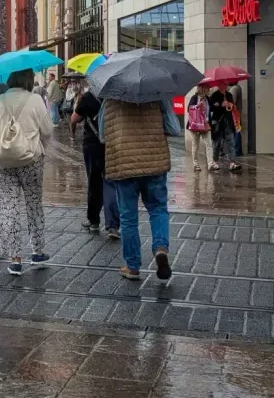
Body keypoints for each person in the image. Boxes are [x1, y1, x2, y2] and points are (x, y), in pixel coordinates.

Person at [102, 93, 181, 281]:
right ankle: (160, 249)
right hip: (154, 163)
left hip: (124, 163)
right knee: (158, 209)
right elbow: (174, 128)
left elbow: (103, 135)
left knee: (128, 218)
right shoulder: (158, 94)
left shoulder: (110, 95)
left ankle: (132, 266)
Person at [0, 70, 53, 275]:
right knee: (34, 204)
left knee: (8, 207)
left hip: (4, 161)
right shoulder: (35, 99)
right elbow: (47, 132)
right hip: (31, 159)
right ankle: (37, 251)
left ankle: (15, 259)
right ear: (28, 79)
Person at [72, 84, 120, 238]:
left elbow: (75, 119)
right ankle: (112, 225)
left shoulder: (88, 96)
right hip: (113, 143)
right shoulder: (115, 95)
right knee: (111, 183)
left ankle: (93, 221)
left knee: (94, 182)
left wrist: (78, 105)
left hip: (92, 145)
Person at [208, 85, 239, 172]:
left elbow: (233, 107)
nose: (225, 85)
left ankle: (232, 162)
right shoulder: (214, 95)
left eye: (226, 84)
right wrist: (220, 105)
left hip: (228, 122)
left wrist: (230, 105)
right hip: (218, 123)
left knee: (231, 143)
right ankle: (215, 161)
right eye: (223, 84)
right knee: (217, 144)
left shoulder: (229, 95)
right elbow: (211, 108)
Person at [185, 88, 212, 172]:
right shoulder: (194, 97)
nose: (209, 89)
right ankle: (196, 164)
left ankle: (210, 164)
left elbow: (211, 110)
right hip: (195, 125)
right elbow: (189, 109)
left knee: (209, 144)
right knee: (195, 145)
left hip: (205, 124)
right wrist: (197, 105)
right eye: (207, 87)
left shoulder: (208, 99)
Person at [229, 81, 245, 157]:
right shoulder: (238, 87)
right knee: (237, 131)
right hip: (237, 114)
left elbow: (232, 101)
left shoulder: (234, 88)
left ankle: (236, 151)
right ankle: (238, 151)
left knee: (236, 132)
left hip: (234, 115)